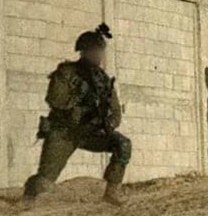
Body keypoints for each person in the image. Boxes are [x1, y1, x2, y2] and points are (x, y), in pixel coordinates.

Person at [23, 24, 132, 206]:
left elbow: (115, 111)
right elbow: (54, 99)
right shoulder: (66, 72)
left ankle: (112, 192)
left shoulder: (103, 80)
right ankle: (28, 197)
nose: (98, 55)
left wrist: (109, 123)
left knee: (123, 144)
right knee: (45, 183)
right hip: (64, 132)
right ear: (83, 52)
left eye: (100, 51)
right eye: (94, 51)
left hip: (90, 132)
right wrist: (79, 99)